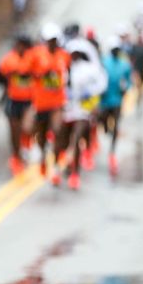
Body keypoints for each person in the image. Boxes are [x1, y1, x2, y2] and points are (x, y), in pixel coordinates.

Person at [60, 48, 107, 190]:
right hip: (66, 111)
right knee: (63, 141)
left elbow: (100, 84)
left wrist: (91, 95)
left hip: (82, 112)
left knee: (76, 138)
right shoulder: (62, 67)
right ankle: (67, 164)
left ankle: (75, 174)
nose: (74, 57)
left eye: (76, 55)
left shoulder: (89, 69)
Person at [30, 23, 70, 181]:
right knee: (41, 135)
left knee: (58, 129)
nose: (52, 43)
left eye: (54, 40)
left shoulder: (64, 56)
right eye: (49, 40)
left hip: (57, 102)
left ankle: (56, 166)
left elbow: (69, 74)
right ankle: (42, 158)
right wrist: (42, 73)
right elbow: (29, 72)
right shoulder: (36, 55)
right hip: (41, 103)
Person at [0, 34, 36, 175]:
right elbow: (0, 74)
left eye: (22, 45)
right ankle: (16, 156)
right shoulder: (9, 59)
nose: (19, 48)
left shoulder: (33, 57)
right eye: (17, 44)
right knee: (14, 129)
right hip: (13, 99)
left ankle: (26, 144)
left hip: (29, 100)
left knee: (27, 127)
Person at [98, 37, 133, 175]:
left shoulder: (125, 65)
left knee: (116, 125)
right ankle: (108, 131)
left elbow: (128, 81)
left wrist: (125, 88)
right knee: (103, 124)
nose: (116, 51)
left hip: (117, 101)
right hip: (104, 101)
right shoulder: (103, 62)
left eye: (117, 49)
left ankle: (112, 153)